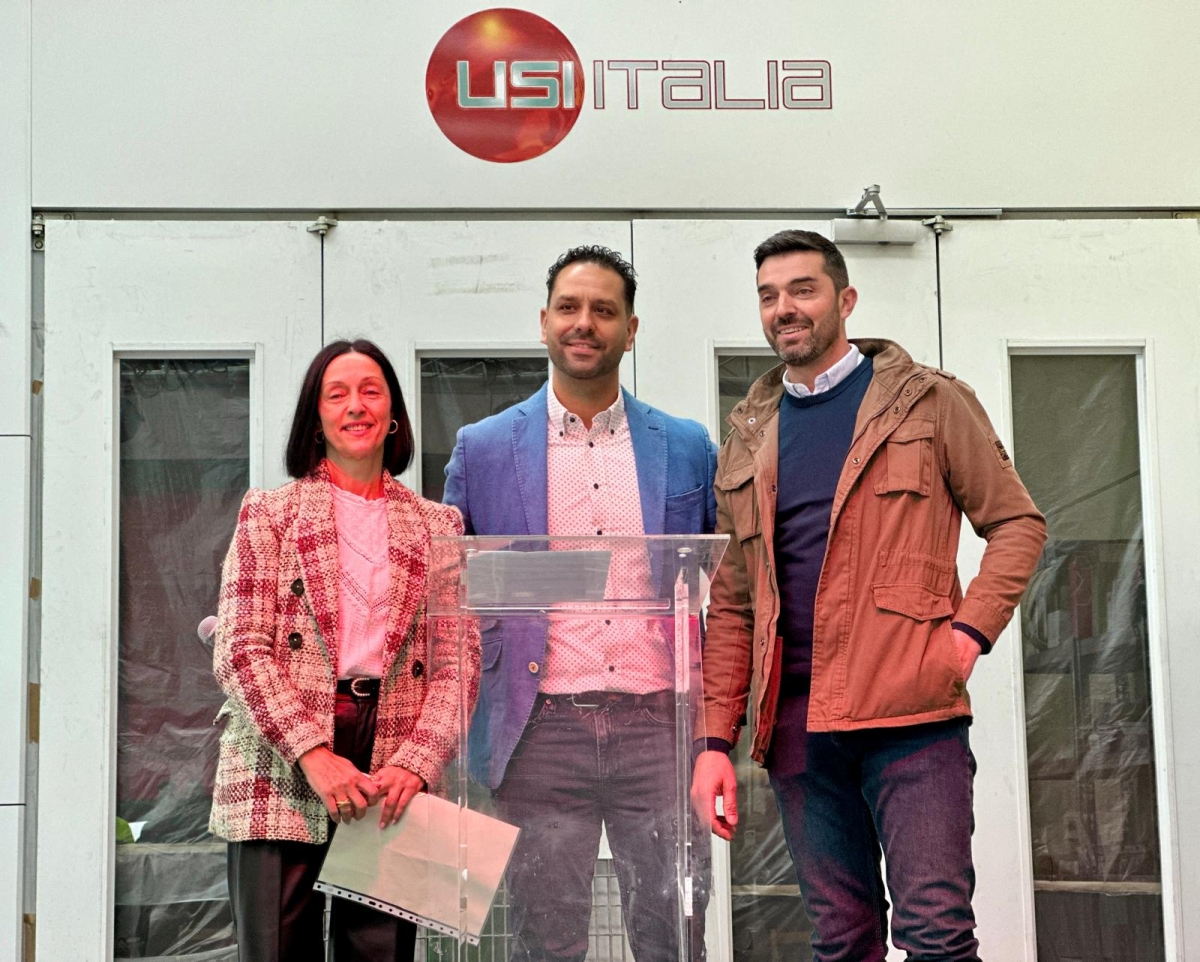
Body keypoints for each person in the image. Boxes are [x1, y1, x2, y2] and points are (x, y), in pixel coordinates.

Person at [690, 230, 1047, 961]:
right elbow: (731, 604)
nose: (784, 308)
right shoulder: (748, 438)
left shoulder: (929, 404)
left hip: (913, 718)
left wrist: (966, 636)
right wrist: (711, 742)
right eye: (768, 296)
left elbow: (1017, 524)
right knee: (841, 940)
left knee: (937, 937)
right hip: (796, 729)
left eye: (803, 290)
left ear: (845, 300)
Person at [443, 246, 718, 962]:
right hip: (539, 731)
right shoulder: (483, 449)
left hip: (662, 727)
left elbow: (725, 579)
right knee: (546, 940)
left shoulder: (688, 447)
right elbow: (449, 589)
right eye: (569, 308)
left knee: (673, 936)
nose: (584, 323)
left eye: (603, 310)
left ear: (631, 329)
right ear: (543, 323)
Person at [209, 339, 480, 962]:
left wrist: (417, 760)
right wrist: (313, 752)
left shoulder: (440, 524)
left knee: (381, 953)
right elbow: (242, 648)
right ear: (317, 415)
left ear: (393, 414)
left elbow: (457, 662)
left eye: (370, 391)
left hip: (394, 760)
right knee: (275, 949)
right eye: (337, 394)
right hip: (281, 757)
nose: (355, 406)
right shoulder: (268, 514)